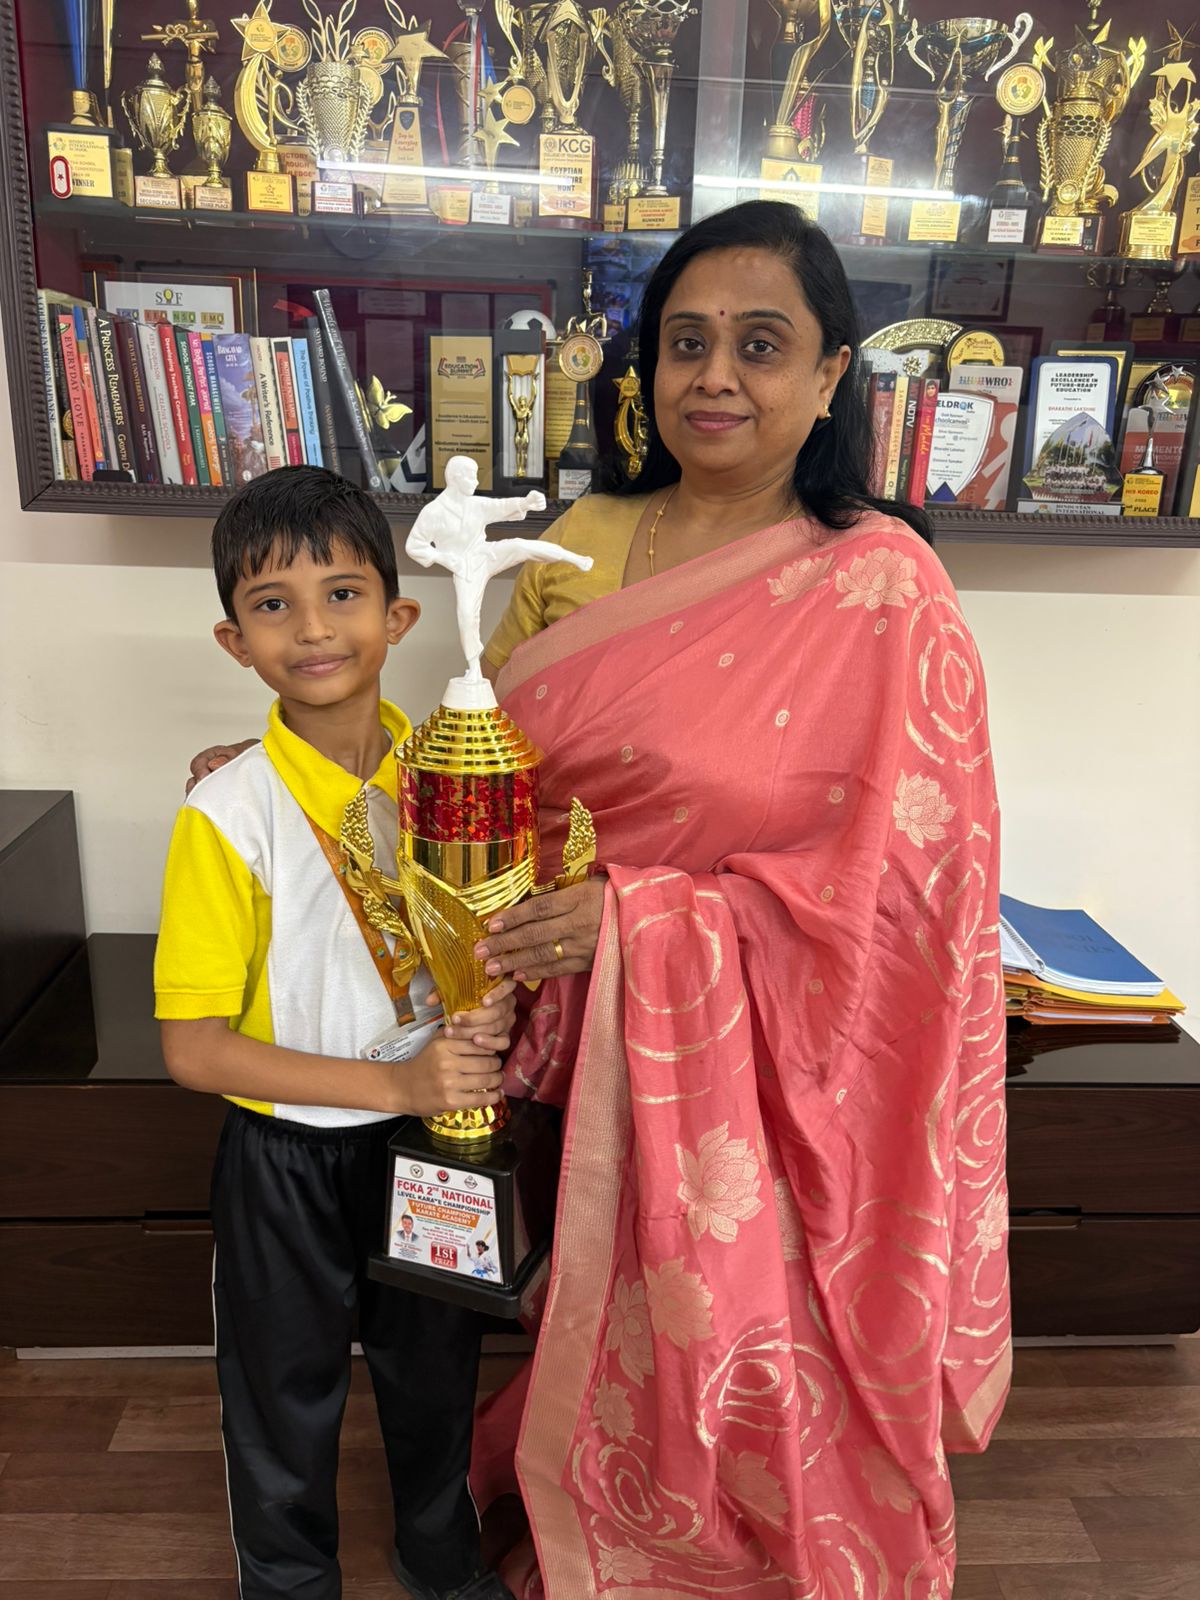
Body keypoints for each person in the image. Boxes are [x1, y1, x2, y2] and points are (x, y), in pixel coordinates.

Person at [188, 202, 1010, 1598]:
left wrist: (648, 920)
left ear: (830, 376)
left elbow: (914, 891)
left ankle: (745, 1516)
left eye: (762, 345)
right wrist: (288, 771)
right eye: (686, 342)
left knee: (745, 1326)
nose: (716, 377)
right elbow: (481, 759)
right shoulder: (584, 535)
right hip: (568, 1024)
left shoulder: (884, 584)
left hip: (766, 1063)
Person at [155, 465, 518, 1600]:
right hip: (284, 1159)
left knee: (434, 1370)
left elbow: (485, 939)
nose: (313, 628)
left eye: (343, 594)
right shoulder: (227, 810)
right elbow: (193, 1049)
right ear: (236, 641)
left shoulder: (452, 776)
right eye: (274, 605)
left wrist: (492, 1002)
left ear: (398, 617)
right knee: (281, 1388)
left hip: (429, 1147)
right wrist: (400, 1084)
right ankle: (288, 1581)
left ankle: (440, 1557)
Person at [406, 455, 593, 684]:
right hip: (465, 569)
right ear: (455, 478)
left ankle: (574, 558)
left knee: (521, 545)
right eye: (471, 477)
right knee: (466, 614)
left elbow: (500, 506)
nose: (476, 482)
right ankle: (474, 667)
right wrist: (444, 558)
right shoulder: (433, 512)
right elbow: (415, 545)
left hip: (485, 554)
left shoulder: (476, 505)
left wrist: (526, 503)